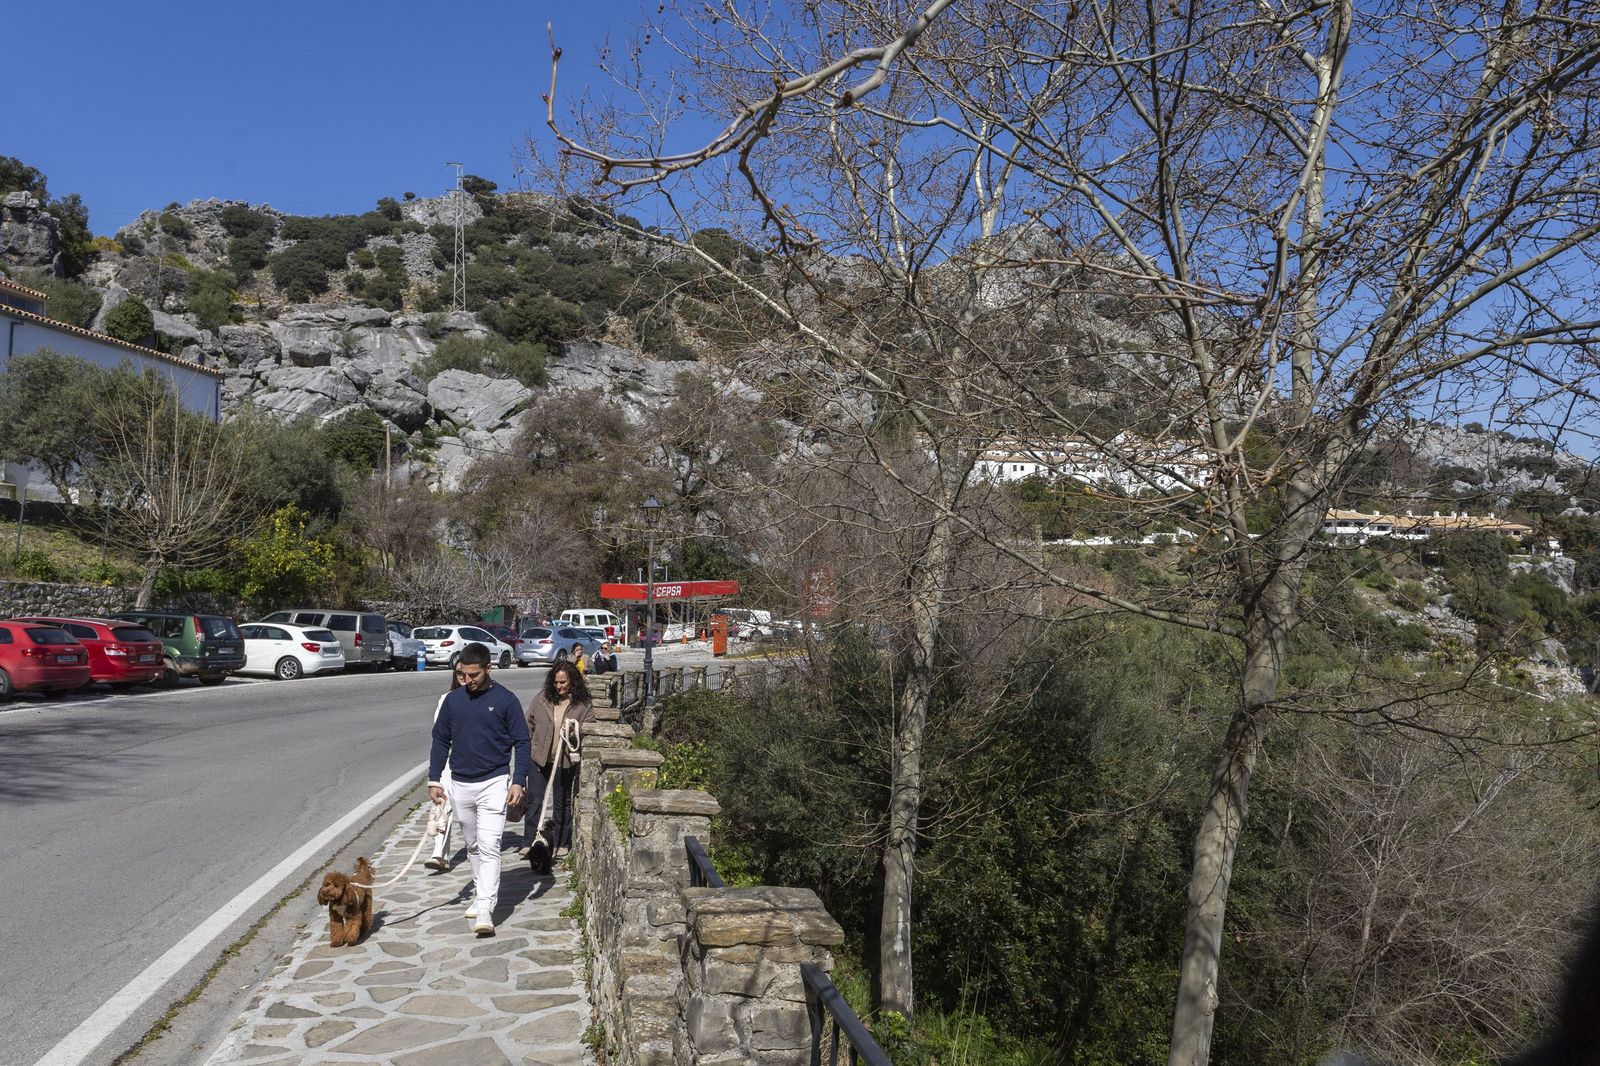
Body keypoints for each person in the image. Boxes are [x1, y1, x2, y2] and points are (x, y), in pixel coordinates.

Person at [428, 642, 530, 937]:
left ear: (488, 668)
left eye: (474, 674)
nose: (468, 680)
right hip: (460, 783)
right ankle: (480, 892)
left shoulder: (506, 700)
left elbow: (522, 743)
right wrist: (435, 779)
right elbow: (440, 742)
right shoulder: (452, 701)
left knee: (489, 844)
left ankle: (486, 907)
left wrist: (518, 781)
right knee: (472, 845)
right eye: (463, 674)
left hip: (494, 781)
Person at [525, 660, 595, 875]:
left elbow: (589, 727)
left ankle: (562, 843)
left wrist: (575, 732)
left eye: (563, 682)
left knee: (562, 802)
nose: (559, 686)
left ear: (572, 681)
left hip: (564, 760)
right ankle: (529, 842)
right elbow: (529, 723)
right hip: (540, 758)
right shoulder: (542, 699)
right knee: (534, 801)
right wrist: (527, 749)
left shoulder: (582, 704)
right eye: (556, 682)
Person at [424, 671, 465, 872]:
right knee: (443, 804)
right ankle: (439, 853)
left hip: (474, 762)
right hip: (450, 759)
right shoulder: (446, 700)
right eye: (459, 672)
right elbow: (439, 734)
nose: (464, 676)